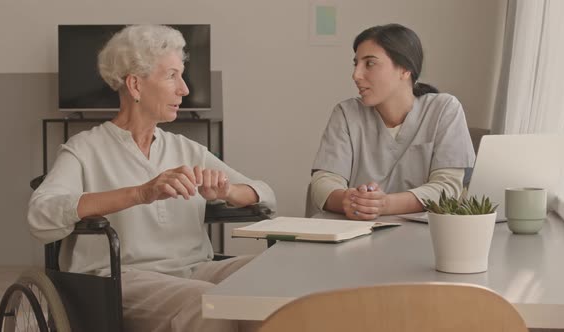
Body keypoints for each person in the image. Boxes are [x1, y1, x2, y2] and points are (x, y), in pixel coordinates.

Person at [28, 24, 276, 332]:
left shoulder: (185, 149)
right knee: (208, 301)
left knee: (271, 279)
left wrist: (227, 190)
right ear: (135, 85)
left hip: (195, 271)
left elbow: (264, 193)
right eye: (172, 75)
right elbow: (41, 215)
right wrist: (141, 193)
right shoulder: (85, 149)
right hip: (121, 278)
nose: (184, 89)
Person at [310, 23, 475, 220]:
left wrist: (384, 204)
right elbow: (323, 183)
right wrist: (348, 199)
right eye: (356, 64)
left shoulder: (444, 109)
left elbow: (448, 188)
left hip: (425, 237)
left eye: (369, 63)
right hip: (356, 236)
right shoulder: (346, 113)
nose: (356, 75)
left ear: (405, 69)